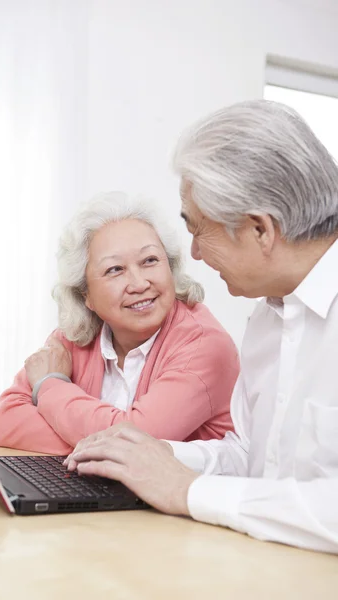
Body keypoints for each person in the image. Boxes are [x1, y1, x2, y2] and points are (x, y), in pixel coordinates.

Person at [64, 100, 338, 554]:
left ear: (259, 230)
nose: (192, 254)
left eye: (198, 230)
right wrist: (154, 456)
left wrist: (187, 490)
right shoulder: (268, 319)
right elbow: (251, 457)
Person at [0, 192, 239, 454]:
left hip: (184, 494)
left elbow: (136, 442)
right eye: (115, 270)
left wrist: (50, 385)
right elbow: (7, 421)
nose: (139, 283)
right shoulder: (76, 333)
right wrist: (100, 446)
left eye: (150, 261)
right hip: (99, 491)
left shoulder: (205, 345)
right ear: (85, 294)